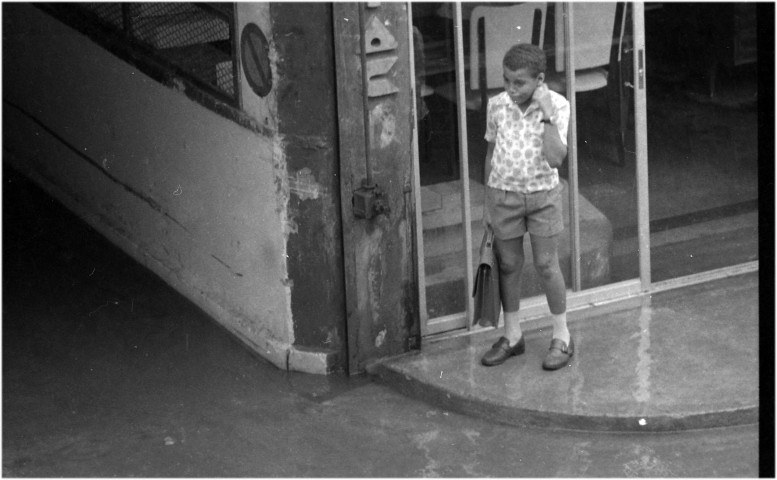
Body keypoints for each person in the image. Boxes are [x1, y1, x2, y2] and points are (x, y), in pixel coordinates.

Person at [480, 43, 572, 370]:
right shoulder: (497, 106)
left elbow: (555, 158)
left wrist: (545, 113)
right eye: (506, 80)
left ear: (540, 80)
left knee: (547, 264)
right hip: (504, 195)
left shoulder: (559, 106)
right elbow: (491, 155)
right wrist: (489, 204)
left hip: (542, 196)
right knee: (508, 265)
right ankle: (513, 335)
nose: (511, 89)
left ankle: (561, 337)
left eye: (519, 82)